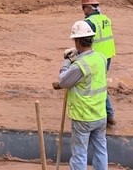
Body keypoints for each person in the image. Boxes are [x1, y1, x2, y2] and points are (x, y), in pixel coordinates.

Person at [55, 20, 108, 170]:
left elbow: (64, 81)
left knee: (79, 153)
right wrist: (77, 56)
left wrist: (67, 61)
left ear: (77, 41)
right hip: (100, 114)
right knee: (101, 150)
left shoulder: (80, 65)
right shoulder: (101, 58)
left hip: (83, 116)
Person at [81, 0, 117, 126]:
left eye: (84, 8)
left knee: (96, 84)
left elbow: (84, 41)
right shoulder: (106, 19)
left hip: (96, 58)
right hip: (107, 56)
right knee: (98, 82)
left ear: (88, 8)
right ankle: (105, 113)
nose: (83, 11)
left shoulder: (89, 23)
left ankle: (108, 113)